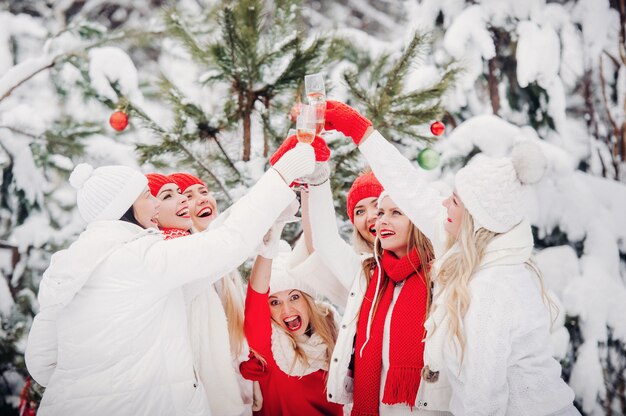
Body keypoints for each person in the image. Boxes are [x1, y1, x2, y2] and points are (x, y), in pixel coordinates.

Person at [323, 100, 580, 415]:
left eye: (454, 200)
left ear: (474, 217)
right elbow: (413, 192)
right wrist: (361, 131)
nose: (443, 204)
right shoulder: (469, 255)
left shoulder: (492, 286)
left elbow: (483, 400)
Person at [24, 141, 315, 416]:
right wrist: (281, 174)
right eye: (147, 197)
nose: (154, 205)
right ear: (124, 208)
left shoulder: (69, 271)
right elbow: (226, 242)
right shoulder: (140, 258)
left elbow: (42, 364)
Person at [271, 137, 435, 415]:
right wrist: (316, 177)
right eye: (361, 211)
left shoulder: (441, 268)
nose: (375, 217)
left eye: (387, 209)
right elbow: (322, 241)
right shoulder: (366, 275)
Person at [166, 172, 252, 416]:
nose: (202, 199)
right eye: (189, 196)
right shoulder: (186, 265)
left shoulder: (227, 271)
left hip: (234, 396)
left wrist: (245, 363)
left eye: (204, 192)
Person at [240, 229, 343, 416]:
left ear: (308, 300)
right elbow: (256, 296)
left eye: (294, 297)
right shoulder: (270, 347)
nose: (286, 311)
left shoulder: (335, 333)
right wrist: (269, 243)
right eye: (275, 302)